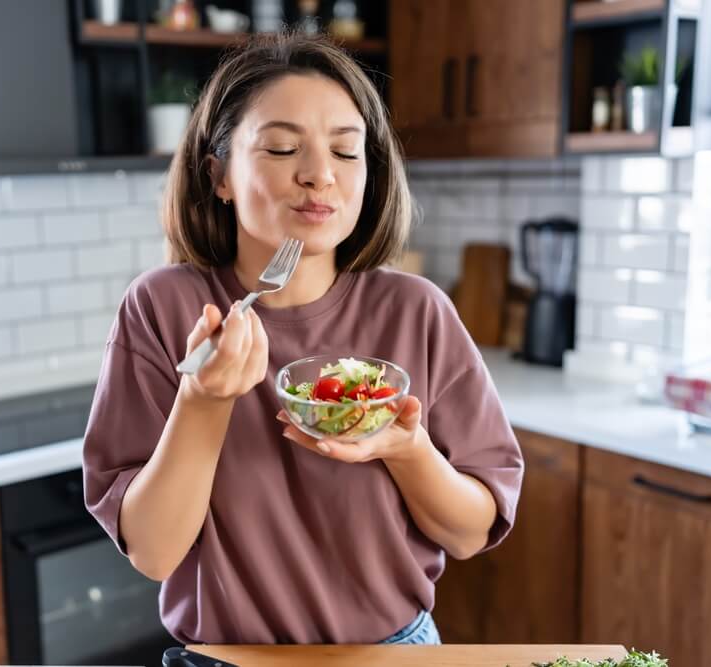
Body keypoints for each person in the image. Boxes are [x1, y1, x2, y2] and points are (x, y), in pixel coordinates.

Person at [82, 30, 524, 647]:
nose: (320, 176)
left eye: (346, 153)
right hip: (227, 660)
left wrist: (405, 450)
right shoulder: (162, 308)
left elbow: (471, 532)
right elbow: (153, 553)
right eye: (284, 148)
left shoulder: (416, 311)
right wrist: (203, 402)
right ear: (220, 175)